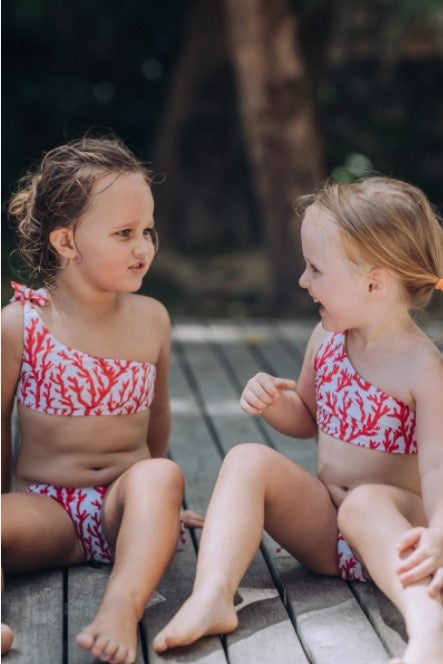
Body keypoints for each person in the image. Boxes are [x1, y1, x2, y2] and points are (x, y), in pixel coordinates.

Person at [153, 176, 443, 664]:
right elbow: (307, 416)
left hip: (393, 532)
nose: (303, 281)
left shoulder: (423, 369)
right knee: (247, 457)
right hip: (325, 532)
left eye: (316, 269)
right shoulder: (326, 339)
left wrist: (438, 534)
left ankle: (428, 627)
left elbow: (437, 466)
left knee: (364, 502)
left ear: (374, 284)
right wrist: (273, 403)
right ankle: (213, 595)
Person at [1, 136, 203, 664]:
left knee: (162, 476)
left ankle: (121, 606)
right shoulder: (21, 325)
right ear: (66, 242)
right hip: (47, 510)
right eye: (124, 233)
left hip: (121, 508)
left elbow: (158, 414)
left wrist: (157, 506)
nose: (144, 247)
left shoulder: (152, 319)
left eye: (147, 230)